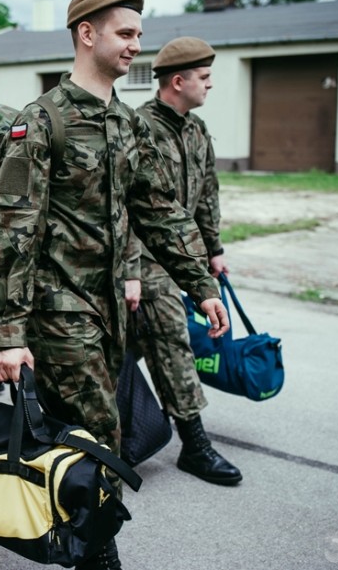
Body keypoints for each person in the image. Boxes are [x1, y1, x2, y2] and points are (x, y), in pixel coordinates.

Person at [0, 0, 230, 570]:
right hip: (58, 312)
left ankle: (62, 529)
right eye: (126, 34)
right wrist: (10, 333)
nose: (136, 45)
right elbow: (15, 231)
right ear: (87, 34)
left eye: (139, 36)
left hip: (111, 310)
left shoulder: (127, 124)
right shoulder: (41, 122)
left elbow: (161, 212)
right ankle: (99, 555)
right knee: (101, 435)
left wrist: (200, 283)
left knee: (80, 433)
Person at [125, 36, 242, 485]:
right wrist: (131, 271)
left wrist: (213, 250)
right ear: (179, 81)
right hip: (147, 260)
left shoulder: (195, 130)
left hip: (183, 254)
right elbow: (127, 206)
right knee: (172, 338)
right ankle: (195, 445)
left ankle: (122, 420)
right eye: (205, 78)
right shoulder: (139, 128)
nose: (210, 86)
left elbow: (207, 194)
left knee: (140, 342)